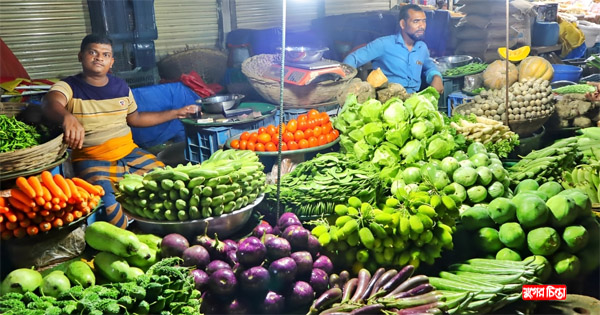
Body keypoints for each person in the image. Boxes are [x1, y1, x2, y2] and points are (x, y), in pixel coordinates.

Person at [42, 34, 198, 228]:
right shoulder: (69, 86)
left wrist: (176, 112)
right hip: (92, 157)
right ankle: (132, 237)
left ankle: (164, 230)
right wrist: (67, 117)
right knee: (109, 205)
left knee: (167, 182)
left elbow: (136, 119)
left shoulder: (121, 87)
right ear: (80, 56)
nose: (99, 58)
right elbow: (50, 102)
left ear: (111, 62)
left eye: (105, 54)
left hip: (130, 152)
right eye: (93, 52)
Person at [343, 4, 444, 94]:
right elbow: (354, 58)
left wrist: (436, 76)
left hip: (414, 100)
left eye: (424, 21)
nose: (422, 26)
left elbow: (429, 66)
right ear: (403, 24)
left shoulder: (422, 47)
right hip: (389, 102)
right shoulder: (383, 44)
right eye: (416, 21)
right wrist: (346, 83)